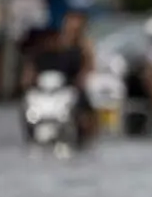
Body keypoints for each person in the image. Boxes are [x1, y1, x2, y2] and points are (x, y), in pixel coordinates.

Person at [22, 9, 98, 143]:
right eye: (71, 22)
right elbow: (34, 66)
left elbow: (88, 67)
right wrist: (29, 80)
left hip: (72, 88)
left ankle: (84, 131)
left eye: (78, 24)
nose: (74, 27)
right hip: (49, 87)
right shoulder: (53, 45)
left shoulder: (84, 47)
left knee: (84, 107)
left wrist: (82, 79)